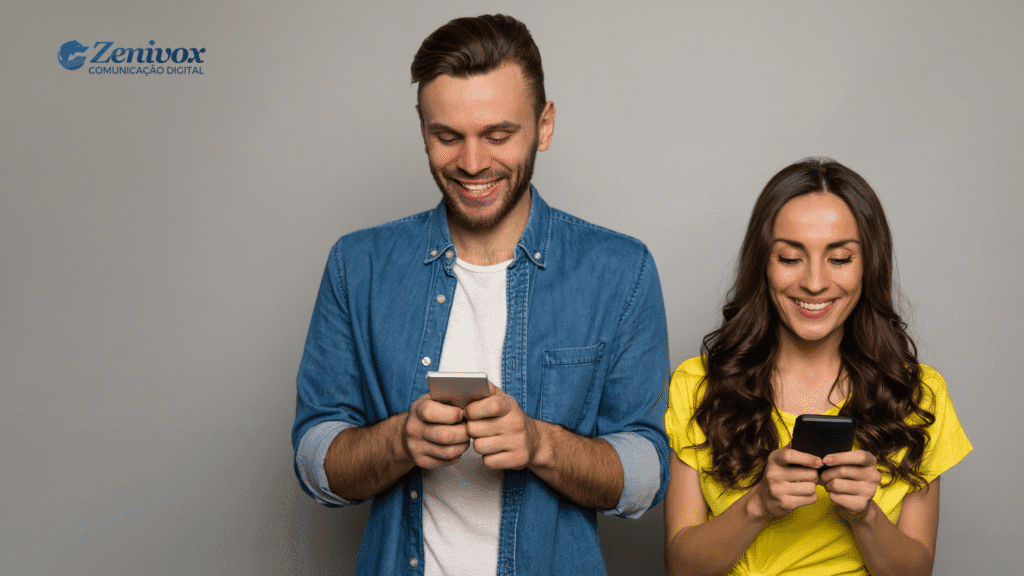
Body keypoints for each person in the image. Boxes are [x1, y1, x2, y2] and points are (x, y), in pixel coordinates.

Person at [292, 14, 670, 576]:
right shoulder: (358, 264)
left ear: (544, 126)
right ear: (422, 128)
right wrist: (400, 441)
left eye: (498, 136)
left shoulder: (620, 270)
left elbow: (647, 476)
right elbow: (314, 460)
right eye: (448, 137)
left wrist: (540, 444)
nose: (472, 164)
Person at [663, 158, 972, 576]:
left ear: (869, 265)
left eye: (839, 259)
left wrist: (865, 516)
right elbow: (681, 567)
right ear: (763, 264)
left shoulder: (918, 395)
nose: (814, 283)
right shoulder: (698, 385)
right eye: (790, 258)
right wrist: (758, 505)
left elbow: (916, 571)